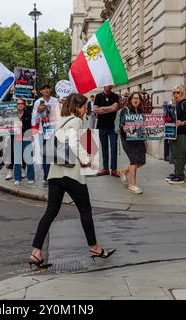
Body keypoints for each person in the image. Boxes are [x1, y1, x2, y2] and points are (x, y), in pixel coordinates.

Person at [29, 93, 116, 269]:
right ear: (77, 107)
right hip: (71, 174)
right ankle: (94, 248)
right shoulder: (75, 121)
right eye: (84, 106)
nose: (86, 110)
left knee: (50, 212)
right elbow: (74, 142)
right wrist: (86, 160)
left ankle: (36, 252)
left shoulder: (60, 120)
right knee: (85, 210)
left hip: (55, 174)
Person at [166, 85, 186, 184]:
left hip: (183, 133)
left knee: (180, 155)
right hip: (175, 133)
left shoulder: (185, 104)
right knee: (175, 154)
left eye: (178, 92)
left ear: (182, 93)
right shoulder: (177, 104)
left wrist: (182, 122)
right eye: (174, 92)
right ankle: (176, 173)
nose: (175, 94)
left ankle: (180, 176)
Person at [31, 84, 60, 187]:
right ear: (41, 91)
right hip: (43, 132)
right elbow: (34, 118)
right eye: (44, 89)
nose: (46, 90)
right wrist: (38, 111)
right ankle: (46, 177)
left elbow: (59, 115)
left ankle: (55, 176)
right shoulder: (38, 102)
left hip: (54, 131)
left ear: (50, 90)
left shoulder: (55, 101)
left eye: (48, 88)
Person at [118, 92, 147, 194]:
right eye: (134, 98)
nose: (136, 100)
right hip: (128, 139)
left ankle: (123, 171)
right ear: (130, 99)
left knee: (141, 161)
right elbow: (121, 125)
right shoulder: (125, 110)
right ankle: (132, 185)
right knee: (134, 161)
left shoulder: (139, 110)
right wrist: (124, 128)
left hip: (139, 139)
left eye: (138, 98)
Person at [93, 85, 121, 177]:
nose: (109, 85)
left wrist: (102, 109)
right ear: (104, 85)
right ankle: (105, 168)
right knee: (104, 147)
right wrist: (110, 108)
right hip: (101, 126)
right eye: (107, 84)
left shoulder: (115, 96)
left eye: (111, 84)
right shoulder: (98, 96)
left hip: (113, 127)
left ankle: (113, 169)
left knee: (114, 147)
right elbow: (95, 110)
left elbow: (115, 108)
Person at [12, 98, 35, 185]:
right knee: (17, 158)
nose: (20, 105)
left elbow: (30, 127)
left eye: (22, 103)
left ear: (24, 105)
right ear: (16, 105)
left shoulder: (28, 114)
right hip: (16, 137)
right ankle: (17, 178)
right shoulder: (12, 114)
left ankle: (31, 177)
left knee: (28, 157)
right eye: (18, 103)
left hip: (26, 137)